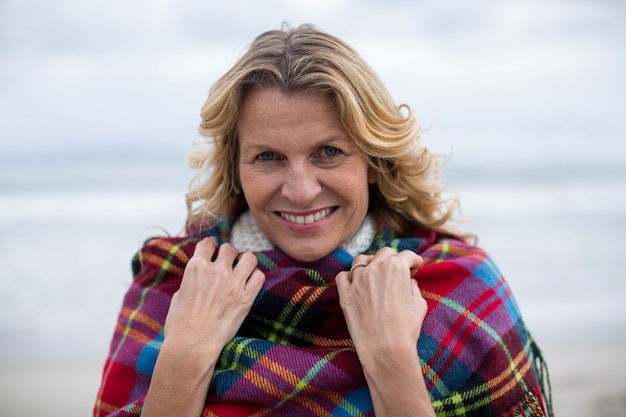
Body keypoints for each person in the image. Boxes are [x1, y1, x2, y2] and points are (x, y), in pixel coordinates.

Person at [94, 24, 552, 417]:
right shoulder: (177, 283)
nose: (300, 190)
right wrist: (185, 356)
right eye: (268, 156)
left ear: (374, 160)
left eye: (328, 153)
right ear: (236, 166)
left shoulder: (455, 284)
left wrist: (392, 359)